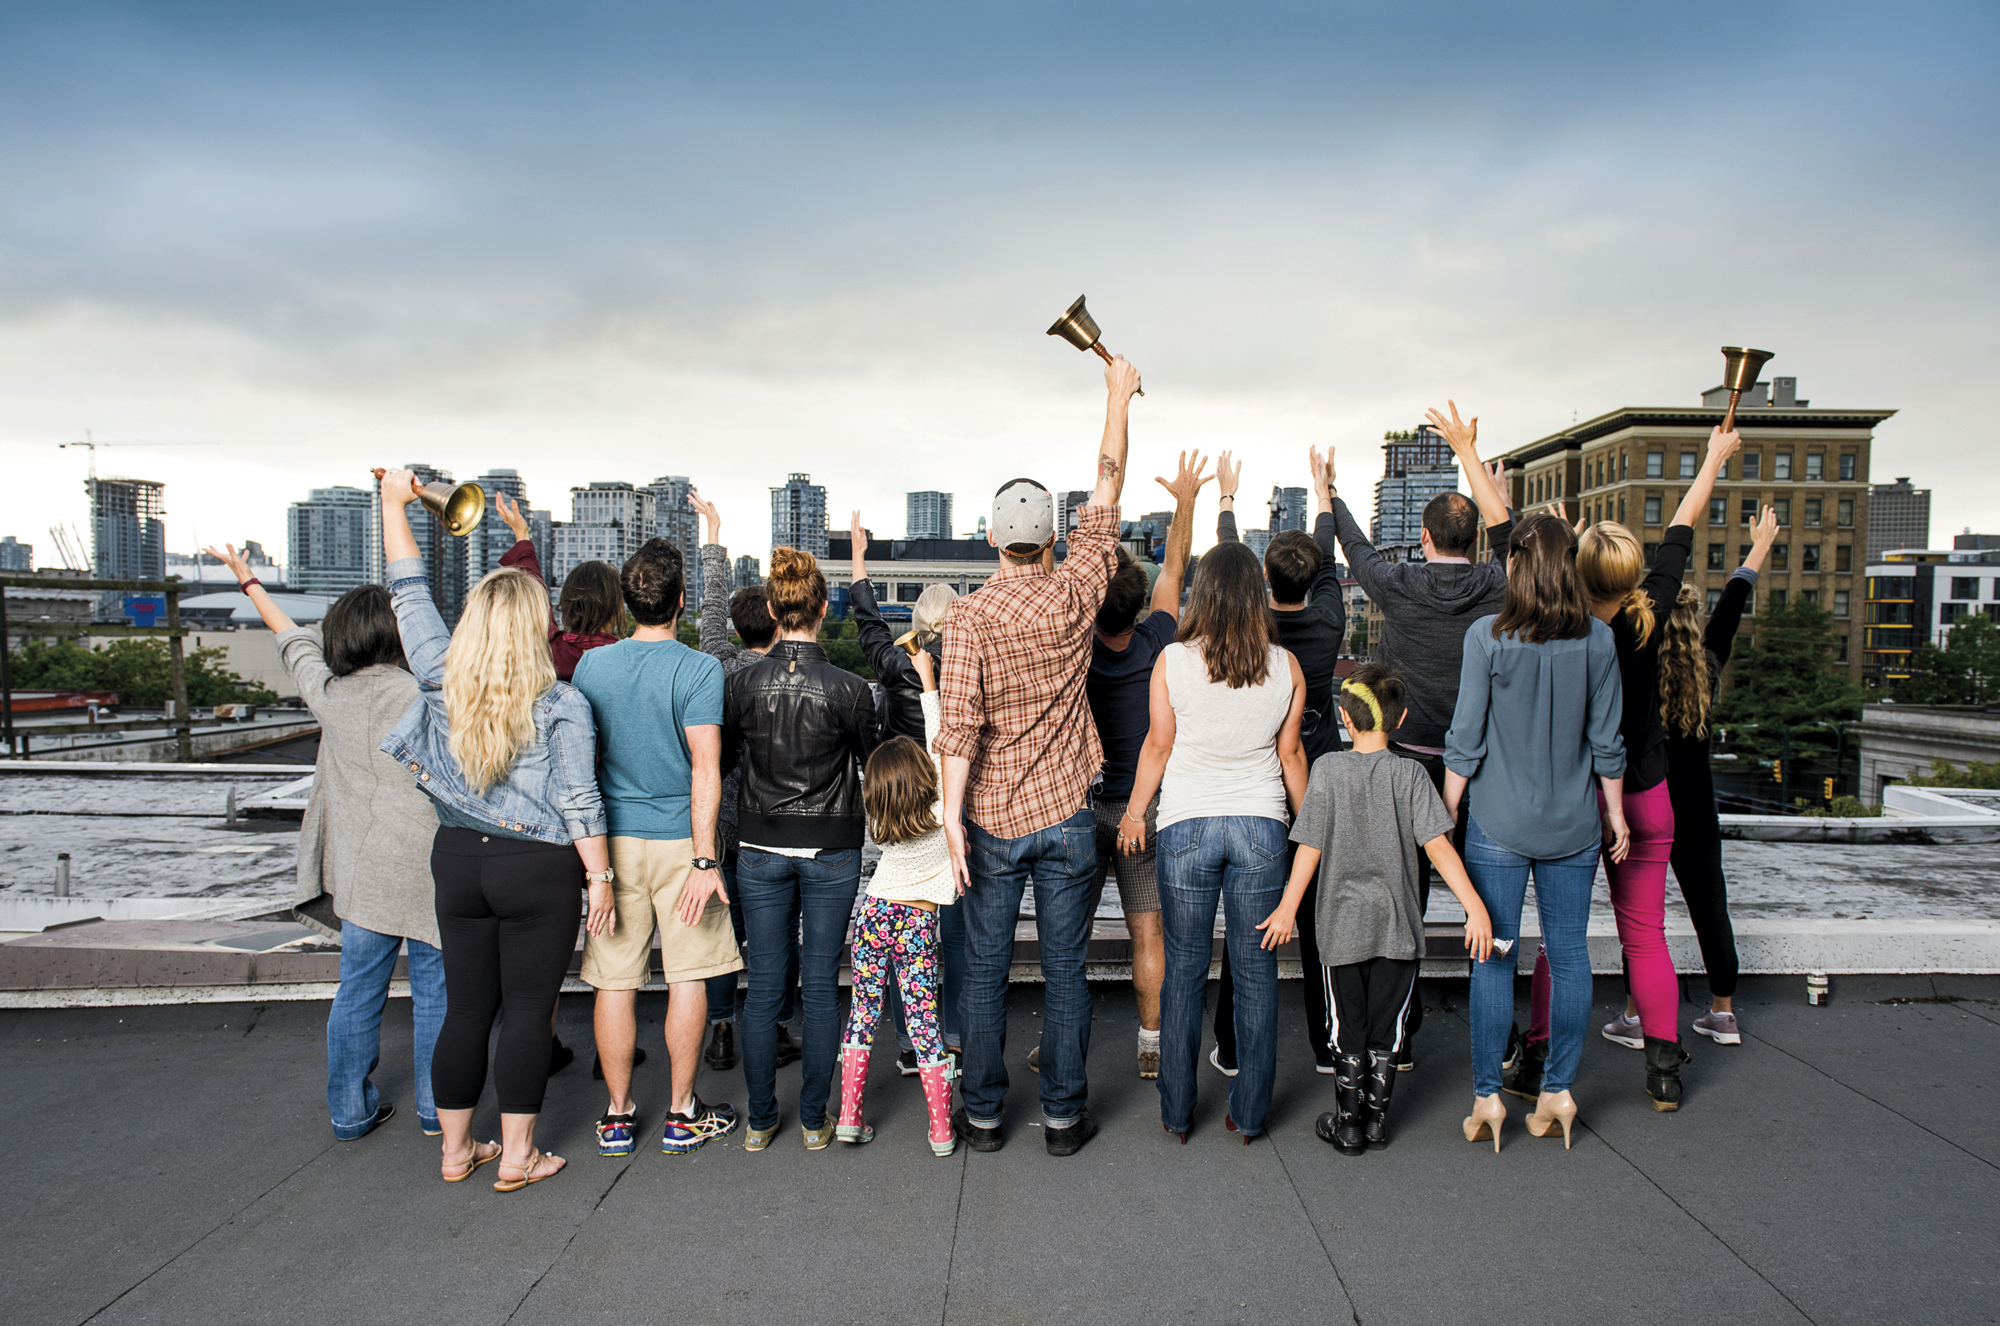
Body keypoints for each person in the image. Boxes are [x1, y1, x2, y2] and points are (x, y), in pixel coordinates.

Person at [374, 468, 613, 1192]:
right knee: (529, 1010)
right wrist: (599, 881)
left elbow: (407, 590)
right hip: (538, 868)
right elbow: (580, 802)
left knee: (466, 1008)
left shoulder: (442, 676)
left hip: (456, 859)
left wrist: (393, 504)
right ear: (537, 624)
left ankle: (455, 1152)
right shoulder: (561, 701)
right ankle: (517, 1156)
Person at [938, 353, 1139, 1157]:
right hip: (1065, 814)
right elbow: (1108, 491)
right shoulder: (1077, 589)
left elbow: (958, 727)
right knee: (1066, 972)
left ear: (990, 537)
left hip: (989, 817)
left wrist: (951, 820)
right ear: (1052, 537)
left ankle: (984, 1115)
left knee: (984, 973)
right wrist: (1117, 397)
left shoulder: (967, 617)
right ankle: (1062, 1116)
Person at [1518, 425, 1740, 1114]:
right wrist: (1712, 458)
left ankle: (1541, 1053)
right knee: (1644, 931)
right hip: (1650, 797)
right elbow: (1683, 522)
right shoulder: (1653, 612)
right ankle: (1665, 1067)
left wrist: (1552, 535)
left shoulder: (1567, 633)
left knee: (1563, 934)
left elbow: (1511, 547)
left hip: (1584, 801)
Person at [205, 543, 442, 1143]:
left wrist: (249, 582)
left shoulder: (329, 696)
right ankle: (439, 1112)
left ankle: (350, 1112)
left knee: (357, 992)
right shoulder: (427, 697)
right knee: (438, 994)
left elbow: (293, 643)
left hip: (363, 877)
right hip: (430, 870)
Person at [1329, 402, 1514, 1065]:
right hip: (1478, 769)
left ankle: (1394, 1039)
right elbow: (1519, 546)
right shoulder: (1498, 585)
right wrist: (1478, 469)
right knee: (1486, 898)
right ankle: (1497, 1038)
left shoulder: (1399, 583)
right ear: (1473, 543)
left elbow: (1355, 548)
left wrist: (1330, 491)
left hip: (1405, 766)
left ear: (1428, 540)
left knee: (1403, 899)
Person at [1443, 511, 1629, 1154]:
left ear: (1517, 566)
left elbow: (1465, 741)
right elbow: (1608, 743)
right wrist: (1619, 815)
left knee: (1493, 955)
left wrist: (1444, 812)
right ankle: (1557, 1092)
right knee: (1569, 955)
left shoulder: (1486, 639)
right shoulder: (1599, 641)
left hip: (1497, 821)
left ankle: (1487, 1097)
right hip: (1575, 825)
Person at [1256, 663, 1494, 1155]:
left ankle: (1346, 1125)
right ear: (1401, 718)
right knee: (1388, 1030)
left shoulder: (1327, 770)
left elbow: (1310, 847)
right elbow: (1439, 848)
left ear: (1344, 717)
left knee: (1347, 1028)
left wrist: (1285, 908)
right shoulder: (1411, 775)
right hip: (1398, 927)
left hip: (1340, 927)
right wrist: (1476, 909)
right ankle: (1377, 1123)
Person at [1121, 539, 1307, 1143]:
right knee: (1256, 974)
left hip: (1186, 826)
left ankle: (1177, 1113)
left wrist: (1132, 813)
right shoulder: (1286, 667)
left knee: (1184, 971)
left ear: (1204, 592)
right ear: (1257, 595)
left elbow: (1158, 744)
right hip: (1260, 825)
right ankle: (1249, 1115)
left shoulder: (1172, 660)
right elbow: (1290, 753)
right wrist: (1310, 830)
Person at [571, 538, 743, 1157]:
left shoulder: (592, 668)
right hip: (678, 843)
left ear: (627, 600)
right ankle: (680, 1112)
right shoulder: (697, 669)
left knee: (613, 983)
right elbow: (706, 767)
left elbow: (583, 762)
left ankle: (617, 1117)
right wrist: (705, 859)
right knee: (688, 976)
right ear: (679, 601)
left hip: (611, 847)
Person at [723, 546, 879, 1151]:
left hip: (758, 846)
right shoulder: (848, 690)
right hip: (832, 848)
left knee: (763, 989)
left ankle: (761, 1122)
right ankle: (815, 1119)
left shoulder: (740, 685)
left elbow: (731, 764)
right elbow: (872, 765)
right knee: (819, 987)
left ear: (772, 607)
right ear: (821, 608)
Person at [1208, 446, 1348, 1075]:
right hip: (1318, 783)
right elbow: (1324, 565)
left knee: (1250, 918)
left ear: (1263, 579)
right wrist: (1324, 496)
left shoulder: (1252, 628)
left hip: (1263, 785)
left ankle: (1233, 1047)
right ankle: (1327, 1045)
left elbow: (1229, 576)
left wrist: (1228, 502)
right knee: (1320, 923)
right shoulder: (1328, 622)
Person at [1082, 449, 1211, 1081]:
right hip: (1143, 808)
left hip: (1079, 808)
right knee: (1147, 932)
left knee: (1064, 938)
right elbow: (1178, 565)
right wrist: (1185, 502)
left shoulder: (1070, 646)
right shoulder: (1159, 637)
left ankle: (1060, 1045)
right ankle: (1150, 1042)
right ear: (1136, 607)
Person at [495, 491, 623, 1078]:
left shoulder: (547, 652)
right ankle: (611, 1051)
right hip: (608, 818)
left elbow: (528, 597)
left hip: (547, 819)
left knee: (542, 947)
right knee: (611, 933)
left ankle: (541, 1043)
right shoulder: (621, 657)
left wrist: (524, 538)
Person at [845, 509, 967, 1074]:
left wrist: (860, 557)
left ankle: (907, 1044)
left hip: (904, 801)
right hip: (955, 801)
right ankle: (957, 1032)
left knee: (902, 919)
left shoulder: (895, 660)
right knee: (957, 922)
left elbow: (868, 622)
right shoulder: (965, 664)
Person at [1655, 504, 1778, 1045]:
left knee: (1643, 918)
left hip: (1651, 806)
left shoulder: (1638, 672)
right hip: (1699, 810)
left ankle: (1637, 1014)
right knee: (1711, 908)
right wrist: (1757, 551)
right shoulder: (1706, 667)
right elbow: (1731, 605)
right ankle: (1723, 1012)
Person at [690, 491, 800, 1076]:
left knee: (719, 930)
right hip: (773, 821)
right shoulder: (787, 674)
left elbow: (710, 609)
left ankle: (722, 1028)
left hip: (722, 823)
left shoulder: (716, 664)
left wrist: (713, 537)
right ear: (780, 625)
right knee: (776, 931)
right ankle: (778, 1026)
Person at [834, 647, 959, 1156]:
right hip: (916, 924)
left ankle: (848, 1118)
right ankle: (941, 1130)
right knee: (924, 1022)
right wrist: (928, 679)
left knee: (862, 1015)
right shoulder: (938, 805)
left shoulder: (881, 821)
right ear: (924, 775)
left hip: (874, 913)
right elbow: (938, 739)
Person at [495, 493, 624, 682]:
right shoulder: (628, 660)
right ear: (616, 607)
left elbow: (534, 594)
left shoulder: (552, 652)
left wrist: (522, 535)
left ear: (568, 603)